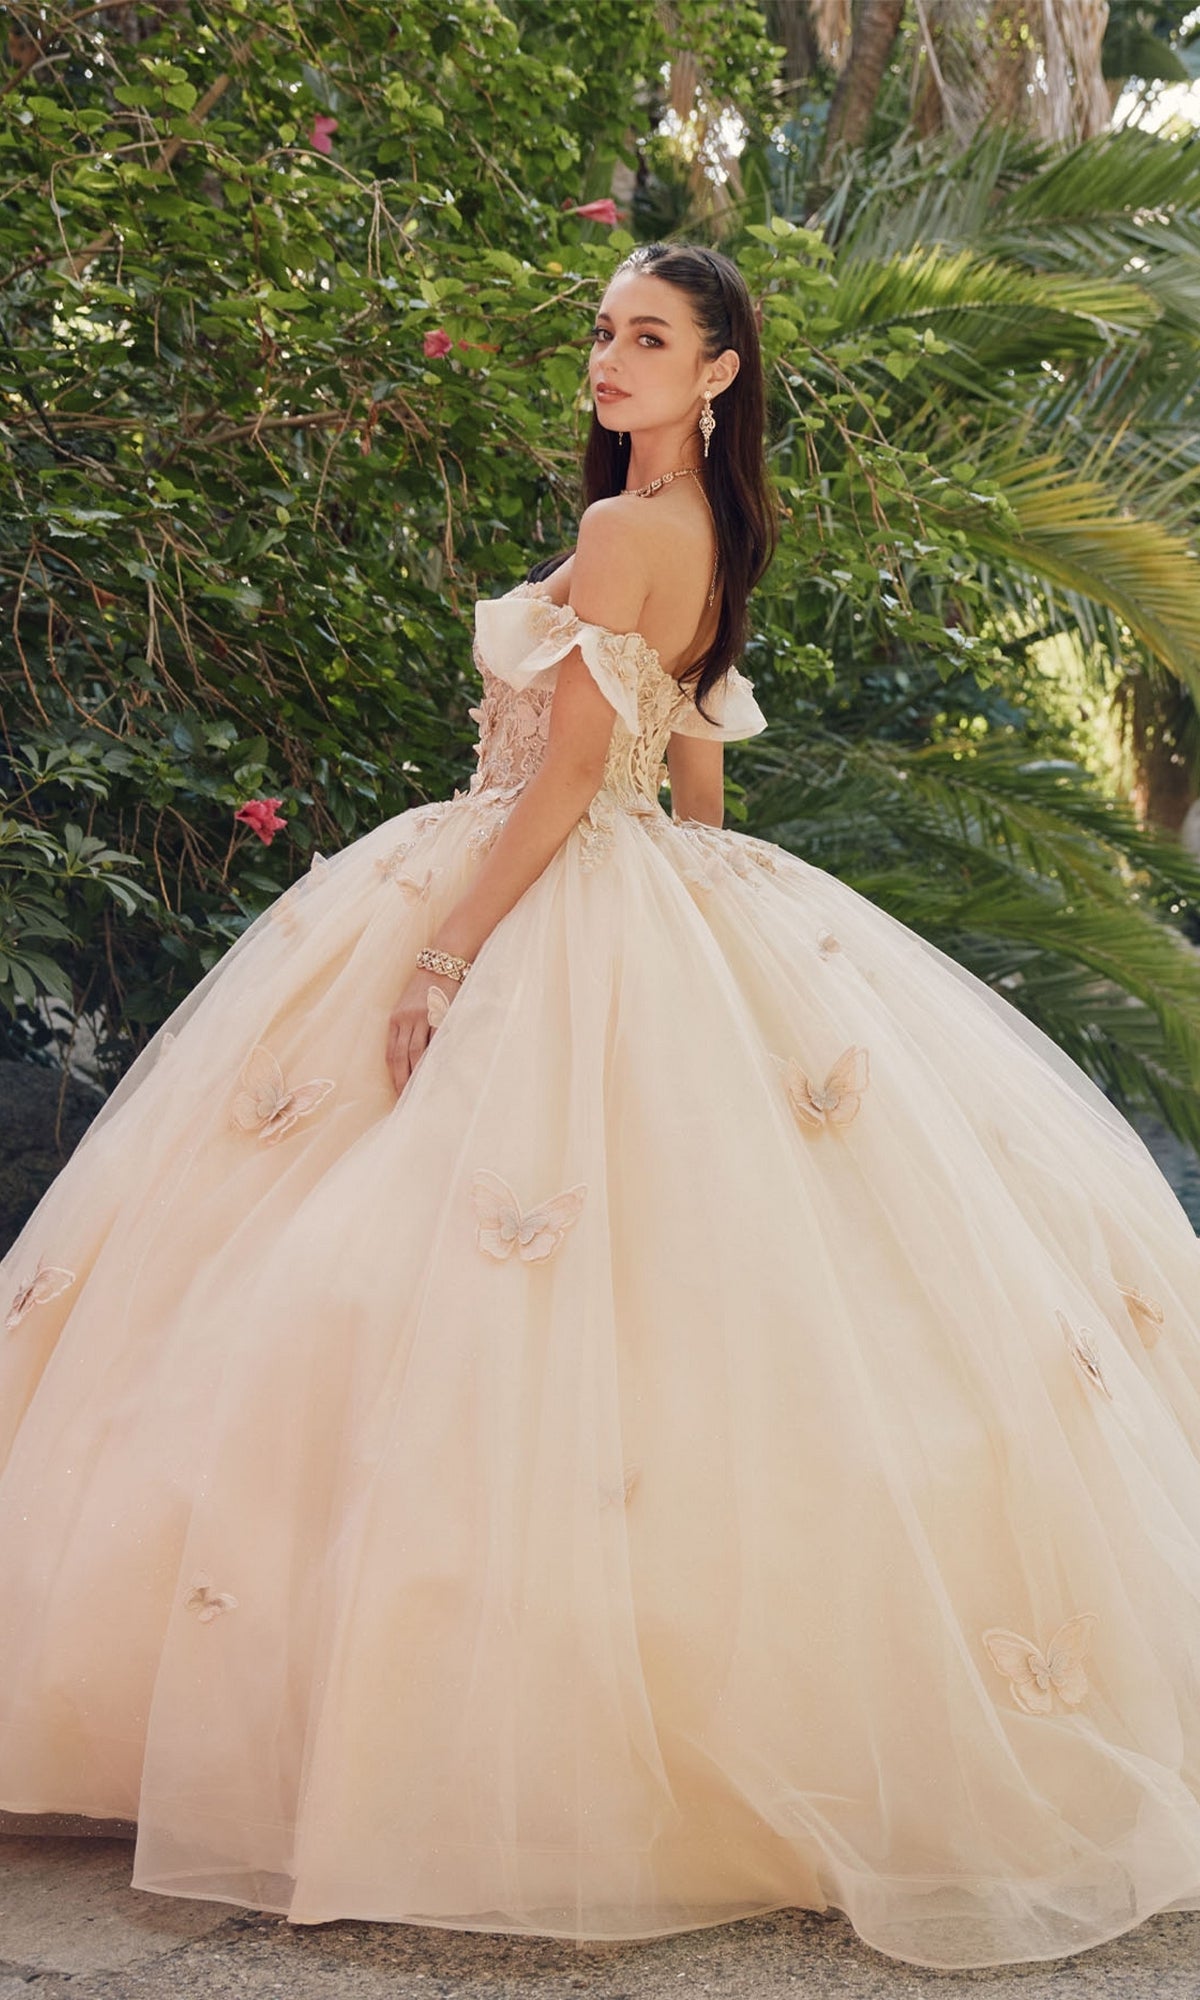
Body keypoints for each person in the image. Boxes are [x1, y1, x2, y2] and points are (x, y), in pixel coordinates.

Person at [2, 241, 1200, 1976]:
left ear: (722, 372)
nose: (609, 358)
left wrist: (448, 956)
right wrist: (716, 964)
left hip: (533, 882)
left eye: (650, 337)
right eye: (602, 333)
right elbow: (691, 769)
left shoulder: (633, 535)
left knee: (368, 1294)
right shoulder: (700, 538)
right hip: (638, 892)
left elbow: (567, 776)